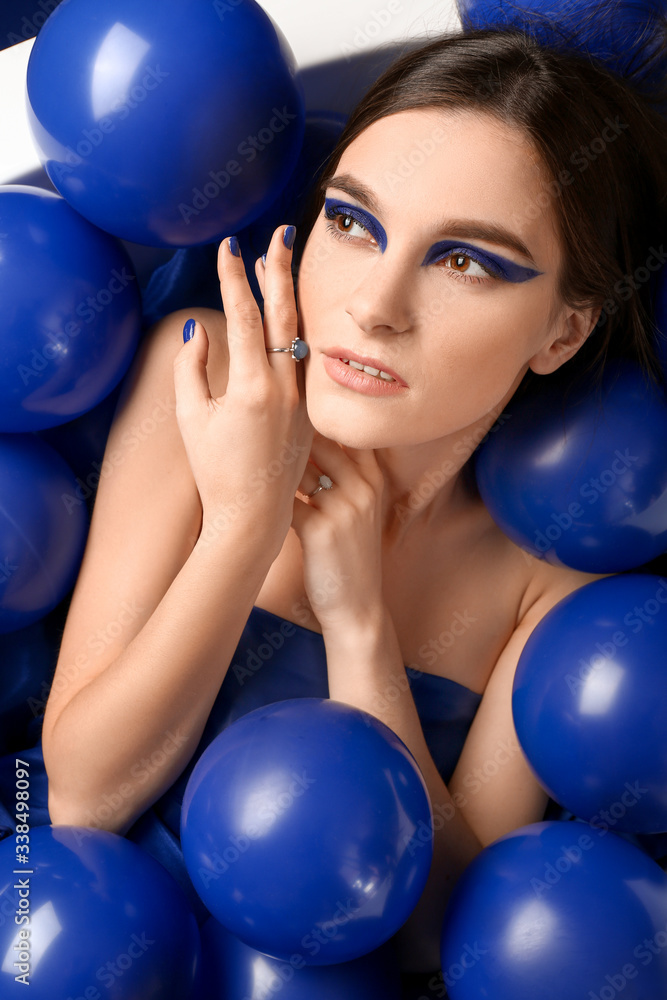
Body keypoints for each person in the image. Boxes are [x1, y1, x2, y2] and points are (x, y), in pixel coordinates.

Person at [40, 20, 667, 981]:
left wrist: (357, 623)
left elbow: (444, 940)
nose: (374, 305)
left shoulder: (553, 573)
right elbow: (81, 797)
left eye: (466, 261)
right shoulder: (204, 375)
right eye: (352, 222)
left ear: (561, 332)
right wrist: (243, 525)